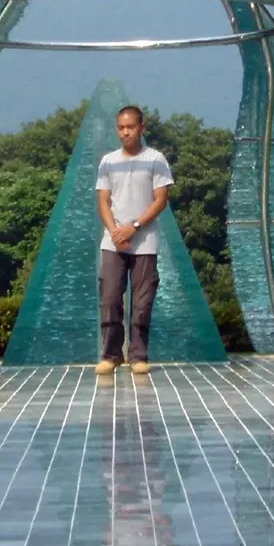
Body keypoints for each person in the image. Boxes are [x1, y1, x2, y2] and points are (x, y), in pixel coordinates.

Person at [94, 105, 173, 376]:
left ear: (141, 128)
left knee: (142, 302)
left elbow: (160, 200)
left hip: (144, 242)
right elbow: (103, 200)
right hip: (113, 242)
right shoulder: (108, 161)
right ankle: (111, 355)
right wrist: (116, 231)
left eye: (130, 127)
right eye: (121, 128)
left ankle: (137, 355)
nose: (125, 132)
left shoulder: (155, 159)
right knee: (109, 299)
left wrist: (134, 227)